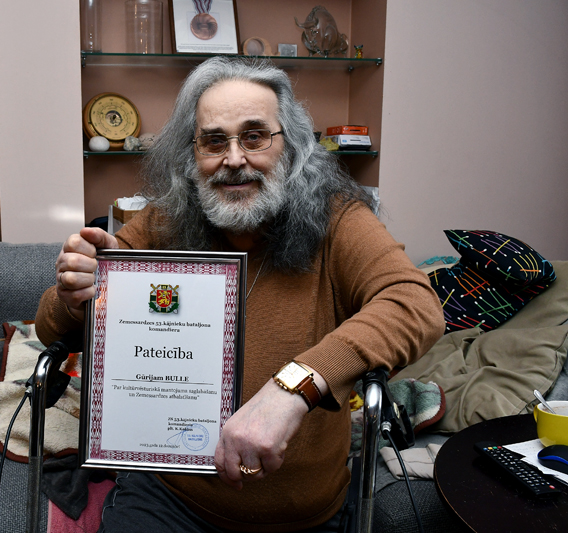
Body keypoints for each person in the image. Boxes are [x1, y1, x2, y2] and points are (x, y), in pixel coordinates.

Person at [35, 56, 444, 532]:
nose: (233, 159)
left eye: (254, 137)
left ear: (290, 146)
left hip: (304, 517)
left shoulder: (339, 219)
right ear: (192, 155)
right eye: (214, 141)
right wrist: (74, 291)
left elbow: (415, 303)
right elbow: (48, 326)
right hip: (170, 500)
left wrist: (293, 388)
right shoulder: (164, 221)